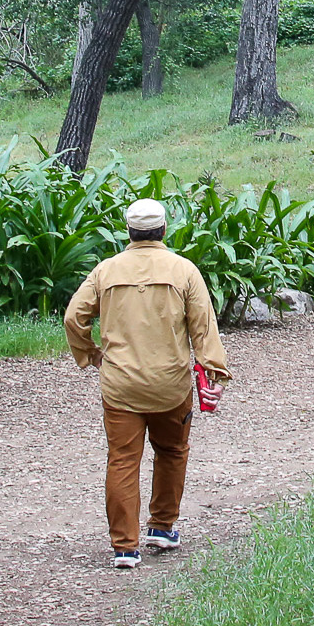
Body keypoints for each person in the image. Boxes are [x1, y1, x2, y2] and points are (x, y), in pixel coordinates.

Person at [65, 199, 230, 569]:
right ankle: (162, 525)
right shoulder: (184, 271)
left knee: (122, 460)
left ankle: (125, 546)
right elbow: (204, 327)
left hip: (120, 386)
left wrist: (91, 354)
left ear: (128, 231)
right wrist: (214, 374)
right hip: (171, 385)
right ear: (164, 230)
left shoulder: (106, 271)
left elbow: (74, 317)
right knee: (172, 451)